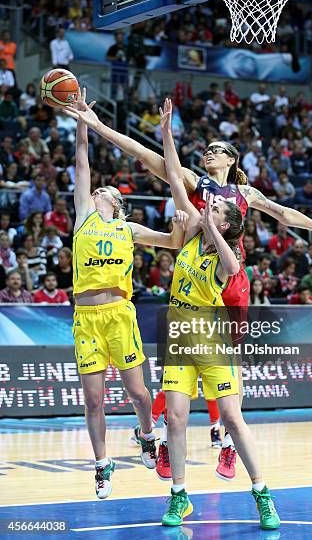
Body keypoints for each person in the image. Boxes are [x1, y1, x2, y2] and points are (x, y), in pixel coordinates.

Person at [68, 97, 312, 481]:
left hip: (232, 280)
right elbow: (147, 155)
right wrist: (96, 126)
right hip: (195, 274)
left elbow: (284, 213)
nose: (208, 151)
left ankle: (228, 445)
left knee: (231, 367)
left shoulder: (246, 195)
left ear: (232, 159)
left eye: (217, 149)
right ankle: (164, 438)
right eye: (207, 148)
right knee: (180, 366)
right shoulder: (195, 183)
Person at [159, 97, 280, 530]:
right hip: (179, 328)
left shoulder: (227, 253)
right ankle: (179, 497)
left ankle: (261, 493)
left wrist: (210, 225)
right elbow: (174, 176)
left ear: (226, 222)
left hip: (210, 331)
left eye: (216, 210)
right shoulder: (192, 229)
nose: (207, 206)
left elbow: (232, 267)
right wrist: (167, 133)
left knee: (231, 415)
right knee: (175, 416)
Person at [63, 89, 187, 499]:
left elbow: (172, 241)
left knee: (137, 392)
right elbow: (82, 161)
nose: (98, 190)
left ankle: (147, 434)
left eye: (107, 191)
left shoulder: (127, 230)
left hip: (119, 313)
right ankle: (102, 465)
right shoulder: (82, 217)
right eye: (97, 189)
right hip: (86, 317)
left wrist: (182, 219)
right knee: (94, 400)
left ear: (118, 204)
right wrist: (83, 119)